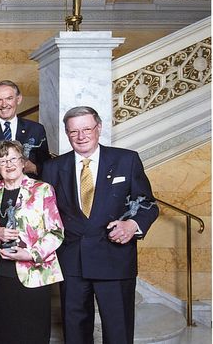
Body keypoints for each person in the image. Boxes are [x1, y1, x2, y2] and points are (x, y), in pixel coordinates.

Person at [42, 106, 158, 344]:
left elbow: (147, 203)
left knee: (118, 331)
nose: (81, 136)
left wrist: (132, 225)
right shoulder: (53, 168)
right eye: (74, 131)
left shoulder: (126, 159)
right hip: (72, 260)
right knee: (75, 332)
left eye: (87, 129)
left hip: (114, 258)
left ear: (99, 128)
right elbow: (44, 214)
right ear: (66, 133)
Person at [0, 140, 64, 344]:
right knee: (2, 333)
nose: (9, 164)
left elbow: (56, 231)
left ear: (23, 162)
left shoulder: (42, 189)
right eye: (2, 160)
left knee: (32, 333)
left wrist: (31, 254)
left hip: (33, 272)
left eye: (13, 158)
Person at [0, 80, 50, 186]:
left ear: (18, 99)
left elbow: (47, 165)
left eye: (9, 98)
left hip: (30, 193)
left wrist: (34, 168)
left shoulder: (36, 129)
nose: (4, 104)